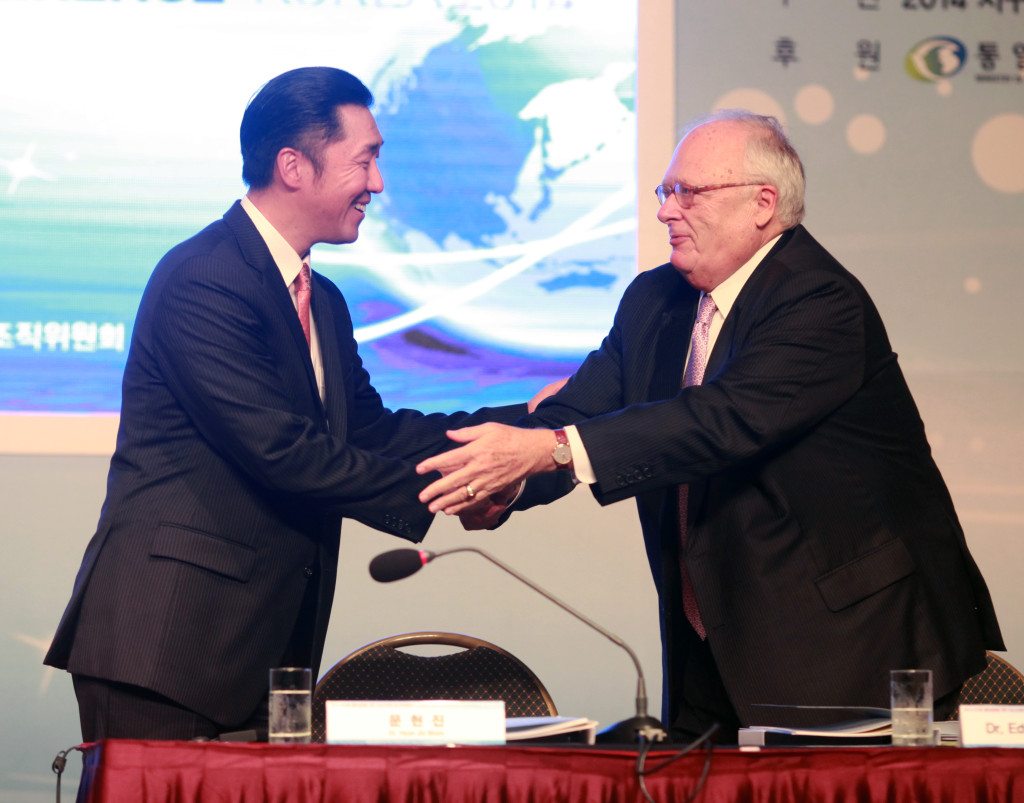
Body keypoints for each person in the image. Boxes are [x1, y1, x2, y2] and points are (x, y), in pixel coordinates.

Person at [417, 110, 1004, 741]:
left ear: (762, 203)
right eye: (664, 193)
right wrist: (506, 482)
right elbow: (579, 412)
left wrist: (547, 450)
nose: (667, 211)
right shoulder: (653, 300)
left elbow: (721, 421)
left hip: (848, 639)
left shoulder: (819, 299)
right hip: (713, 641)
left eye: (687, 193)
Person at [44, 66, 551, 741]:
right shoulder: (206, 279)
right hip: (167, 647)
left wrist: (530, 425)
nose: (378, 183)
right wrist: (465, 485)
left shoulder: (326, 301)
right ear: (293, 166)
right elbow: (284, 453)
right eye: (365, 159)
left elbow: (372, 431)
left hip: (262, 651)